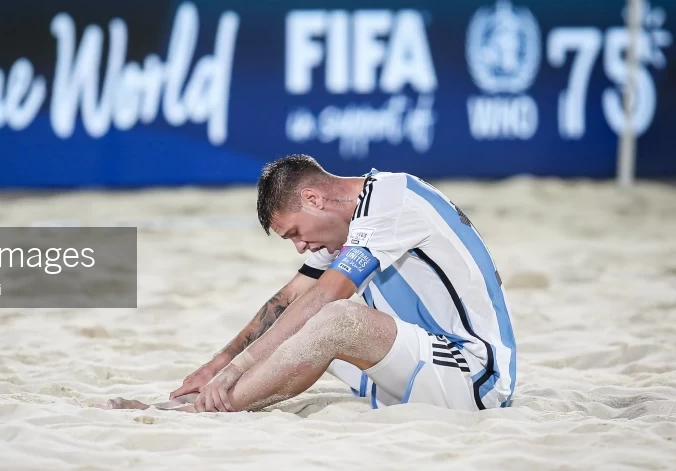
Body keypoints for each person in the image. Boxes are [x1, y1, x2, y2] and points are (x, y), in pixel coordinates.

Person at [99, 154, 516, 413]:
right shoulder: (344, 226)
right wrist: (215, 365)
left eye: (296, 232)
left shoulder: (391, 200)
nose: (300, 247)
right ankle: (214, 395)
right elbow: (289, 298)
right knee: (299, 321)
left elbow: (326, 296)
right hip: (411, 373)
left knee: (334, 319)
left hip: (472, 378)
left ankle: (204, 410)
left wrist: (239, 369)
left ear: (314, 199)